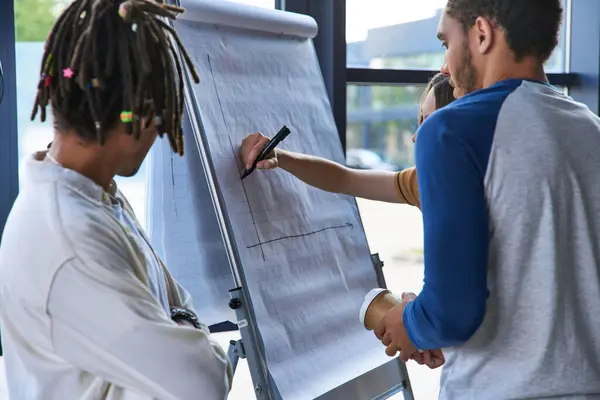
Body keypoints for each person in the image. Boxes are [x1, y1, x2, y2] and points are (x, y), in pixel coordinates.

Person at [0, 1, 231, 399]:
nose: (161, 128)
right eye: (156, 109)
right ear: (125, 112)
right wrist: (187, 331)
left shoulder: (99, 194)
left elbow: (179, 306)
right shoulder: (73, 241)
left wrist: (177, 324)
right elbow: (204, 382)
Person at [374, 1, 600, 399]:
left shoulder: (451, 129)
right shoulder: (589, 126)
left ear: (481, 33)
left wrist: (407, 322)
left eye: (447, 42)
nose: (445, 65)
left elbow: (452, 311)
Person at [240, 73, 455, 210]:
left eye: (430, 122)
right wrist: (280, 156)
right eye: (420, 120)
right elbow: (342, 179)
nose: (415, 137)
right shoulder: (422, 183)